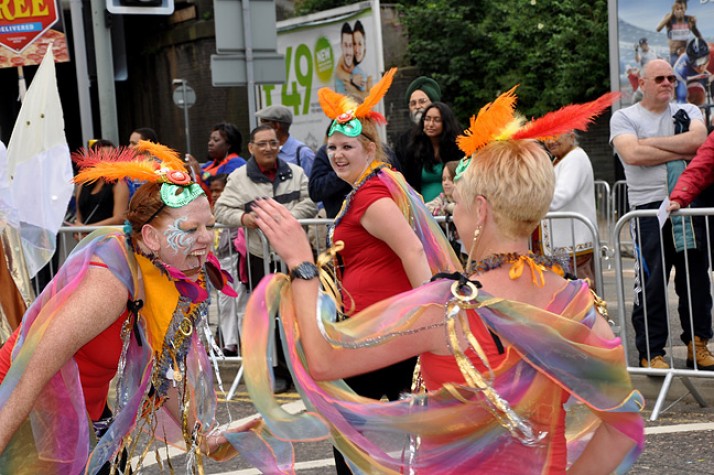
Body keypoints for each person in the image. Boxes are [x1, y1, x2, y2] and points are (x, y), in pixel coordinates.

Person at [242, 86, 644, 473]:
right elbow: (624, 427)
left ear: (481, 210)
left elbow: (324, 359)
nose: (454, 210)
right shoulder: (576, 300)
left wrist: (301, 265)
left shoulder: (447, 306)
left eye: (459, 200)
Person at [0, 141, 260, 473]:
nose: (206, 239)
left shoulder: (167, 273)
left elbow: (156, 373)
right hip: (25, 413)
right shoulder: (109, 282)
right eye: (191, 229)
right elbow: (31, 374)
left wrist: (201, 438)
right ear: (150, 237)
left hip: (83, 414)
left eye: (208, 225)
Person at [610, 58, 714, 370]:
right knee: (651, 280)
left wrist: (650, 145)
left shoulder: (689, 111)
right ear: (641, 84)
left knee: (695, 277)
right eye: (659, 79)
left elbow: (698, 142)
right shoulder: (624, 117)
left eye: (671, 77)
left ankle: (698, 344)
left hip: (687, 206)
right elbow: (632, 154)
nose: (668, 82)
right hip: (646, 211)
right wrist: (679, 150)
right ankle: (651, 350)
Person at [214, 124, 317, 393]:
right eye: (262, 143)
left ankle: (303, 369)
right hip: (259, 257)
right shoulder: (238, 178)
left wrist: (282, 217)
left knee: (299, 312)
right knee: (269, 315)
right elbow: (221, 210)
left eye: (273, 143)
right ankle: (276, 370)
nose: (269, 148)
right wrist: (245, 218)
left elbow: (310, 201)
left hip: (296, 255)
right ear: (251, 147)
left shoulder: (295, 173)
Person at [540, 131, 598, 292]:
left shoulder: (575, 158)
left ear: (571, 136)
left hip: (573, 244)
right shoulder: (560, 159)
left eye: (555, 136)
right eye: (546, 138)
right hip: (564, 243)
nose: (550, 141)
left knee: (580, 293)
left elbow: (561, 196)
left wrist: (530, 204)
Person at [209, 173, 248, 357]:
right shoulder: (211, 211)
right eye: (213, 191)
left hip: (235, 260)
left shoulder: (233, 209)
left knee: (239, 302)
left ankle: (243, 342)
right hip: (221, 262)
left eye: (219, 190)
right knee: (224, 304)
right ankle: (230, 342)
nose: (216, 194)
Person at [403, 101, 463, 201]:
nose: (430, 124)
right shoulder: (414, 149)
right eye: (427, 119)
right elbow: (409, 184)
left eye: (437, 120)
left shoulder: (458, 148)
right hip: (423, 210)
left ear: (446, 123)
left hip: (452, 207)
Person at [72, 140, 130, 231]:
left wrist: (88, 228)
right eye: (102, 157)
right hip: (85, 238)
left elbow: (119, 218)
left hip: (108, 238)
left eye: (112, 158)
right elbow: (79, 215)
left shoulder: (119, 184)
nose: (107, 162)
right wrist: (78, 228)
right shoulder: (83, 184)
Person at [394, 76, 443, 178]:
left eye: (422, 101)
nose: (417, 106)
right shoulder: (404, 141)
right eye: (413, 103)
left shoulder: (449, 134)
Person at [186, 122, 246, 200]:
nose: (210, 143)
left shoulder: (237, 163)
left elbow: (223, 185)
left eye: (216, 140)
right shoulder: (208, 165)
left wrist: (200, 173)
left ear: (229, 145)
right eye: (210, 140)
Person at [256, 105, 315, 177]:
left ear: (276, 126)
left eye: (263, 122)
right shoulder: (262, 152)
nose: (260, 126)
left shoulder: (303, 153)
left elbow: (313, 185)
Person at [657, 0, 702, 66]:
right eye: (677, 9)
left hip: (686, 53)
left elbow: (697, 33)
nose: (680, 11)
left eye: (682, 8)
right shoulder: (669, 18)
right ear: (674, 9)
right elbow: (658, 28)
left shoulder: (689, 19)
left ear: (685, 9)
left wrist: (703, 44)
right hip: (674, 54)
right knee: (676, 71)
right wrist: (672, 14)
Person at [673, 37, 710, 105]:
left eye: (703, 62)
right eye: (696, 65)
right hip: (685, 78)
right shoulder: (680, 69)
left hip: (701, 76)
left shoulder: (712, 54)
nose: (700, 67)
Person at [334, 22, 354, 94]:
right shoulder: (341, 61)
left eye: (350, 45)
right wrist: (352, 78)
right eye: (345, 45)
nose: (348, 51)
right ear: (341, 45)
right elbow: (338, 71)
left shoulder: (358, 65)